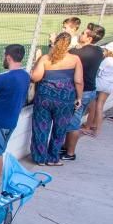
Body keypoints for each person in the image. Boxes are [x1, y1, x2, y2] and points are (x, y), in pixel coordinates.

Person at [30, 32, 83, 166]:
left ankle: (40, 158)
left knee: (41, 127)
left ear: (55, 42)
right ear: (69, 44)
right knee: (60, 129)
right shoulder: (75, 59)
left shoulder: (45, 58)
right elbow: (78, 81)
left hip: (44, 98)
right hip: (65, 99)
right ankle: (53, 158)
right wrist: (79, 97)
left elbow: (35, 77)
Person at [0, 44, 30, 183]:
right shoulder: (25, 76)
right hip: (11, 121)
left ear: (8, 58)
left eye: (4, 56)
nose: (3, 58)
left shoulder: (4, 78)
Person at [63, 23, 106, 160]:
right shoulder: (99, 51)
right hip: (90, 90)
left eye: (83, 33)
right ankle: (66, 147)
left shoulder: (79, 53)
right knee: (74, 119)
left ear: (89, 38)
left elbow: (61, 54)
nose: (80, 35)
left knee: (73, 123)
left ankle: (70, 153)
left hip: (81, 91)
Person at [84, 42, 113, 137]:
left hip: (99, 84)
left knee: (93, 106)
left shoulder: (107, 60)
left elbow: (98, 71)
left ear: (109, 51)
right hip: (109, 86)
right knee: (100, 107)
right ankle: (96, 129)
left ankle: (88, 126)